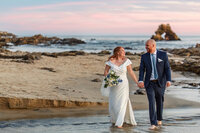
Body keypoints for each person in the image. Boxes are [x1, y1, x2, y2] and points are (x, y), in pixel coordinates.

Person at [138, 39, 171, 130]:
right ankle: (153, 123)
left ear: (153, 45)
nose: (146, 47)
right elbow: (142, 69)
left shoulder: (163, 55)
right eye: (145, 45)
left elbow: (167, 68)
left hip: (160, 83)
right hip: (149, 83)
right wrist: (141, 80)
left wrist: (168, 80)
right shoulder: (144, 56)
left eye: (147, 45)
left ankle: (159, 118)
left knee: (160, 101)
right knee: (151, 102)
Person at [101, 46, 138, 128]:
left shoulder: (127, 61)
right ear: (117, 52)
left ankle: (119, 123)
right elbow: (106, 72)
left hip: (123, 84)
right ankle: (115, 119)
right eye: (122, 51)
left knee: (122, 102)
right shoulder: (110, 61)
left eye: (124, 50)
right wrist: (110, 79)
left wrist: (137, 82)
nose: (124, 52)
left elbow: (131, 72)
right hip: (114, 85)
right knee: (114, 103)